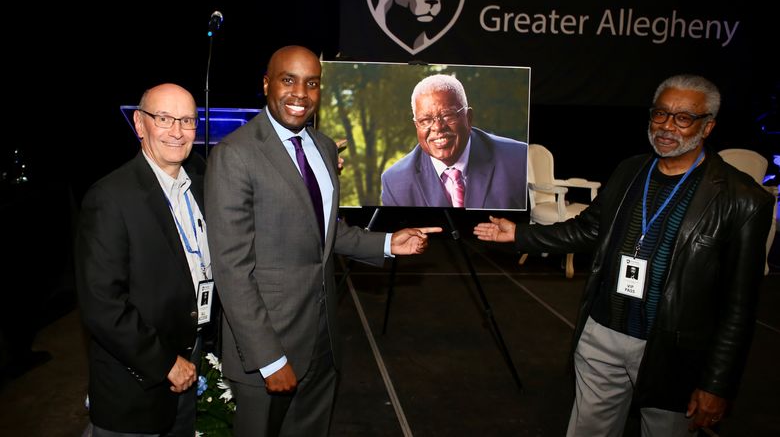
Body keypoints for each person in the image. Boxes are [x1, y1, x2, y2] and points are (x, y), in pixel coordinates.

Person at [473, 74, 774, 436]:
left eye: (683, 118)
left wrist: (717, 384)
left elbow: (738, 308)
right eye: (660, 114)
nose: (666, 126)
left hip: (671, 352)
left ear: (707, 127)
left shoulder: (743, 201)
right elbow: (587, 229)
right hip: (602, 332)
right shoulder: (630, 171)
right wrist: (520, 234)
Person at [204, 45, 441, 437]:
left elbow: (325, 233)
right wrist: (268, 358)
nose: (301, 93)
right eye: (288, 80)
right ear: (266, 84)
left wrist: (386, 243)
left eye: (312, 83)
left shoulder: (325, 147)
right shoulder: (235, 155)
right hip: (268, 347)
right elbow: (231, 269)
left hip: (323, 340)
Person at [76, 83, 210, 436]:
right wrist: (165, 362)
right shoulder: (110, 197)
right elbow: (102, 304)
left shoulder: (198, 179)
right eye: (164, 118)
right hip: (137, 384)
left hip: (190, 359)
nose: (177, 132)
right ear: (139, 124)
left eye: (187, 120)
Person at [380, 73, 528, 209]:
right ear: (416, 125)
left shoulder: (519, 160)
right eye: (425, 120)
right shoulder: (396, 182)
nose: (438, 127)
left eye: (448, 115)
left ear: (468, 118)